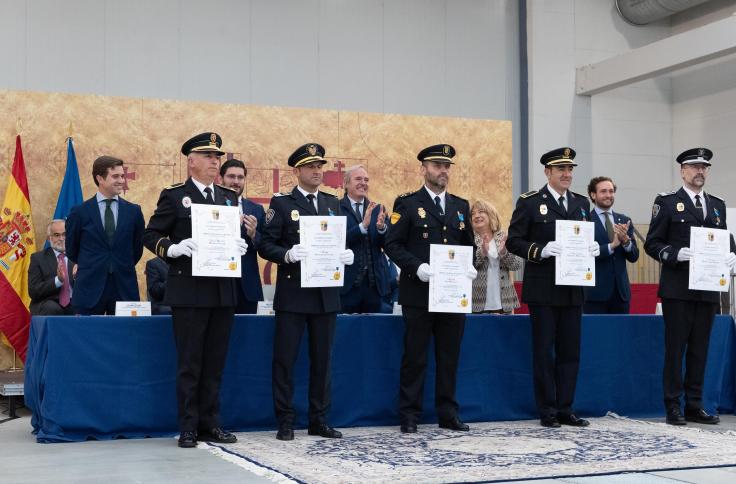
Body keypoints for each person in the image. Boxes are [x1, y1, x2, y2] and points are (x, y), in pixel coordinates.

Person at [143, 132, 248, 448]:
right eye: (208, 157)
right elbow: (151, 234)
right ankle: (188, 426)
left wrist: (239, 245)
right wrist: (172, 249)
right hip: (189, 292)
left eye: (217, 157)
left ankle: (211, 423)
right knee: (191, 363)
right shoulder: (175, 196)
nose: (215, 162)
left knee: (215, 362)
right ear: (191, 162)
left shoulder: (229, 197)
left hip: (222, 290)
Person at [258, 143, 354, 441]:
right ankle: (286, 420)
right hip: (294, 294)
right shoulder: (282, 202)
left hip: (326, 295)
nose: (317, 171)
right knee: (285, 360)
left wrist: (343, 255)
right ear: (297, 170)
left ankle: (319, 419)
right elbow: (265, 244)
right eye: (311, 166)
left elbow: (336, 240)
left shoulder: (332, 203)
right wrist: (287, 254)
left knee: (323, 361)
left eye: (320, 166)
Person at [384, 144, 476, 434]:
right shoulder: (408, 203)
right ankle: (409, 414)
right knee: (416, 357)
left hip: (451, 296)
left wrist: (469, 266)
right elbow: (392, 244)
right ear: (423, 168)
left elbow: (467, 245)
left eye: (446, 166)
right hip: (419, 294)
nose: (443, 171)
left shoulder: (461, 206)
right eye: (437, 165)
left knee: (449, 358)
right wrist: (416, 267)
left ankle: (448, 413)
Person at [506, 147, 598, 428]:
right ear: (548, 172)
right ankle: (547, 409)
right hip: (544, 289)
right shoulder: (531, 202)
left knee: (570, 352)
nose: (567, 174)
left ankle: (565, 408)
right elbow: (514, 241)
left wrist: (594, 247)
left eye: (570, 170)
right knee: (545, 352)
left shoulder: (582, 203)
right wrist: (540, 250)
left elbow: (584, 237)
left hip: (573, 288)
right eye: (561, 170)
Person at [644, 147, 736, 426]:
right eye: (694, 167)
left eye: (704, 167)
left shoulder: (717, 204)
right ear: (682, 171)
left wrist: (733, 253)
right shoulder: (668, 202)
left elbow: (723, 240)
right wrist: (674, 254)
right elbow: (652, 243)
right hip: (678, 289)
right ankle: (673, 405)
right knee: (676, 350)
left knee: (700, 349)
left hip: (708, 289)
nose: (700, 171)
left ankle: (695, 404)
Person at [65, 156, 145, 315]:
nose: (122, 180)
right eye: (115, 176)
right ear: (100, 178)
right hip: (89, 288)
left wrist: (118, 263)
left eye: (122, 176)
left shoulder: (134, 211)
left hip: (124, 288)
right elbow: (72, 249)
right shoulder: (79, 212)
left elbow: (136, 249)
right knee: (88, 337)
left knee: (123, 336)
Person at [340, 165, 392, 314]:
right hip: (346, 287)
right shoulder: (335, 208)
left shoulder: (378, 209)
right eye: (358, 179)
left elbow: (388, 245)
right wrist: (361, 227)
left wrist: (382, 229)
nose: (363, 183)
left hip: (375, 287)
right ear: (346, 183)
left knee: (376, 333)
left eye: (366, 180)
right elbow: (336, 241)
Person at [584, 177, 639, 314]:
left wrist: (626, 242)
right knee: (595, 334)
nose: (608, 195)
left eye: (611, 191)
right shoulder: (585, 221)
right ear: (593, 195)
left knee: (620, 334)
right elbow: (585, 254)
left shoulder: (624, 220)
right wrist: (612, 245)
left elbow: (634, 256)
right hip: (594, 294)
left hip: (621, 294)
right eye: (603, 191)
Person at [220, 158, 265, 314]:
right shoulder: (210, 207)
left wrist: (253, 235)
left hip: (248, 285)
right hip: (218, 286)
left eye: (240, 177)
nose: (236, 181)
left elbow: (266, 245)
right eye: (231, 176)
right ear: (221, 179)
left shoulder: (256, 209)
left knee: (247, 334)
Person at [470, 200, 522, 314]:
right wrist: (482, 252)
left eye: (481, 212)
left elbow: (517, 265)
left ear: (491, 214)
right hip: (476, 303)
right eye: (473, 214)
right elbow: (466, 266)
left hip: (504, 303)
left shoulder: (505, 237)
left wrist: (504, 253)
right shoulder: (468, 239)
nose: (476, 216)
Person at [28, 219, 75, 315]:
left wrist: (78, 277)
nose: (62, 238)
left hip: (74, 301)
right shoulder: (38, 258)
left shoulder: (78, 257)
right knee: (51, 308)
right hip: (48, 302)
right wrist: (58, 280)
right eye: (57, 235)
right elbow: (33, 291)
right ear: (49, 239)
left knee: (85, 307)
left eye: (65, 234)